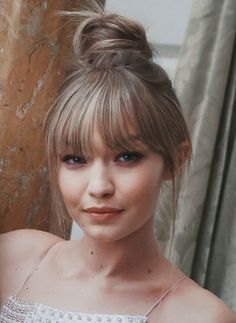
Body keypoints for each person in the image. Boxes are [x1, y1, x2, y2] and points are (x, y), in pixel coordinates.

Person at [0, 3, 235, 323]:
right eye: (75, 159)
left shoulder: (196, 316)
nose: (99, 187)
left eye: (127, 157)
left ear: (174, 160)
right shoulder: (13, 258)